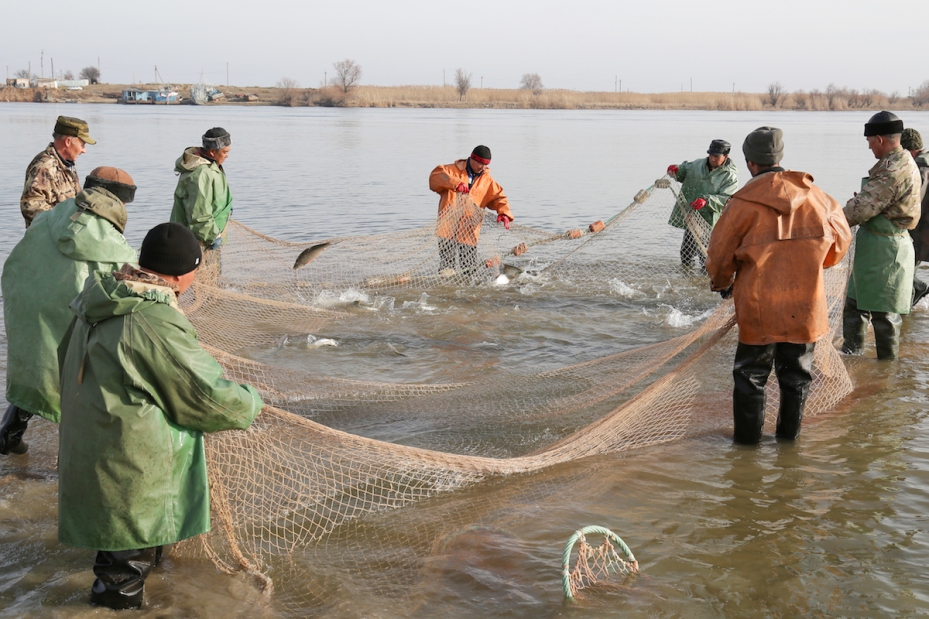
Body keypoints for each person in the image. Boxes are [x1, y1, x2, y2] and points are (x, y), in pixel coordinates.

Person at [57, 222, 264, 610]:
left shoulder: (100, 298)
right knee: (123, 569)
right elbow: (201, 395)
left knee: (121, 547)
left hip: (91, 444)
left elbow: (62, 362)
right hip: (131, 462)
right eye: (195, 271)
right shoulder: (151, 320)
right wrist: (252, 402)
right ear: (180, 273)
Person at [706, 127, 851, 444]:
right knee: (797, 377)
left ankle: (746, 451)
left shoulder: (742, 202)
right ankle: (789, 444)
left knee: (750, 377)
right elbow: (840, 245)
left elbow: (718, 256)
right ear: (779, 158)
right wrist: (812, 264)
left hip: (759, 308)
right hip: (806, 306)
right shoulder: (820, 198)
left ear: (749, 163)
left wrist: (722, 284)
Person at [0, 167, 138, 455]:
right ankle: (72, 463)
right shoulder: (116, 245)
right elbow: (125, 297)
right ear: (117, 202)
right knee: (78, 382)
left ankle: (8, 436)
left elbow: (18, 259)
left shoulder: (49, 216)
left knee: (37, 370)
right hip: (63, 311)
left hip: (27, 302)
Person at [842, 112, 922, 360]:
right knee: (854, 306)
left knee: (884, 314)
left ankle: (885, 372)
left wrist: (826, 219)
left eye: (869, 141)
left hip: (887, 250)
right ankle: (852, 359)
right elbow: (870, 202)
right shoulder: (896, 161)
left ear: (879, 139)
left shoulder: (894, 168)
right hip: (872, 246)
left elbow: (861, 209)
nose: (868, 146)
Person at [429, 145, 514, 273]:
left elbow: (499, 197)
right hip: (447, 228)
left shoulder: (487, 180)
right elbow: (434, 177)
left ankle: (467, 289)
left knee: (469, 269)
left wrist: (504, 213)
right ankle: (447, 291)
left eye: (486, 164)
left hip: (469, 229)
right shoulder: (450, 170)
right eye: (480, 163)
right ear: (472, 158)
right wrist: (455, 184)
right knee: (446, 267)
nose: (483, 167)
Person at [667, 139, 739, 267]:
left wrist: (707, 200)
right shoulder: (697, 164)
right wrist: (676, 169)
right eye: (710, 154)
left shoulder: (730, 176)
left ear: (726, 156)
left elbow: (727, 198)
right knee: (686, 254)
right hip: (694, 217)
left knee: (706, 258)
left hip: (713, 221)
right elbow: (683, 171)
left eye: (716, 156)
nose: (712, 158)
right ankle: (688, 281)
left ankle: (705, 283)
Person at [20, 115, 96, 227]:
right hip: (48, 239)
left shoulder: (66, 165)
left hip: (65, 236)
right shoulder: (44, 167)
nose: (84, 150)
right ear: (68, 142)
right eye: (82, 144)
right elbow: (31, 207)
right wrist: (63, 222)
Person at [170, 127, 234, 250]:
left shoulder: (212, 165)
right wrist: (212, 236)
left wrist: (225, 206)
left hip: (206, 237)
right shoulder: (201, 173)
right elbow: (199, 214)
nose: (227, 156)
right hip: (193, 242)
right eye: (225, 152)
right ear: (212, 152)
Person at [901, 128, 929, 306]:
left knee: (905, 269)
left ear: (909, 150)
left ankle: (915, 292)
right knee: (908, 267)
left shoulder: (920, 167)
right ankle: (905, 316)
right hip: (922, 227)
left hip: (920, 227)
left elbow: (914, 199)